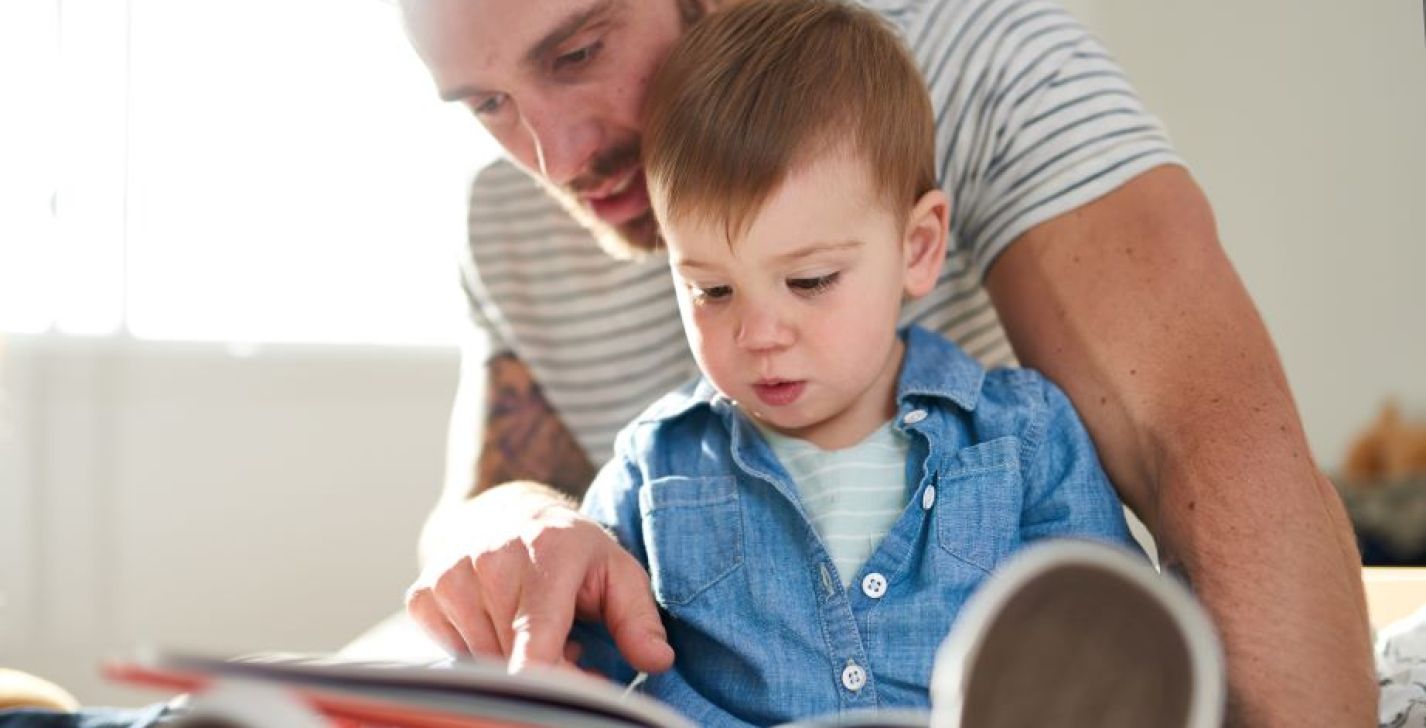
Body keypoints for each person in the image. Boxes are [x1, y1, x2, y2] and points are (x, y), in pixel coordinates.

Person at [398, 0, 1375, 724]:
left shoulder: (983, 62)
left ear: (918, 243)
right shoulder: (504, 219)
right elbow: (487, 544)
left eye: (578, 51)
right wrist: (516, 518)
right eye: (485, 101)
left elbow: (1212, 450)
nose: (555, 155)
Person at [557, 2, 1141, 722]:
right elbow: (578, 688)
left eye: (809, 282)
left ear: (918, 247)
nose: (760, 335)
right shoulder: (654, 467)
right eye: (711, 290)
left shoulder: (1022, 437)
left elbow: (1118, 655)